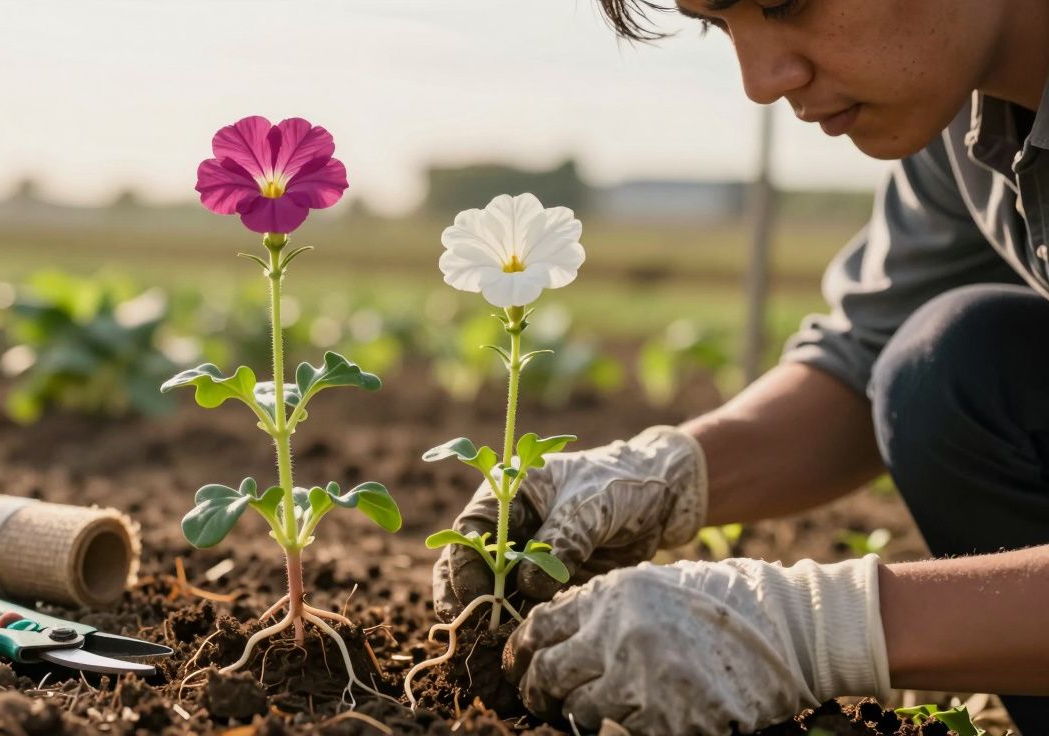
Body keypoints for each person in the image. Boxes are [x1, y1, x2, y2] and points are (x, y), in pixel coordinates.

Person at [432, 1, 1049, 733]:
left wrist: (822, 629)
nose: (760, 82)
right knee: (950, 366)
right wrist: (667, 474)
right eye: (719, 24)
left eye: (787, 3)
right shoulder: (961, 117)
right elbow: (865, 362)